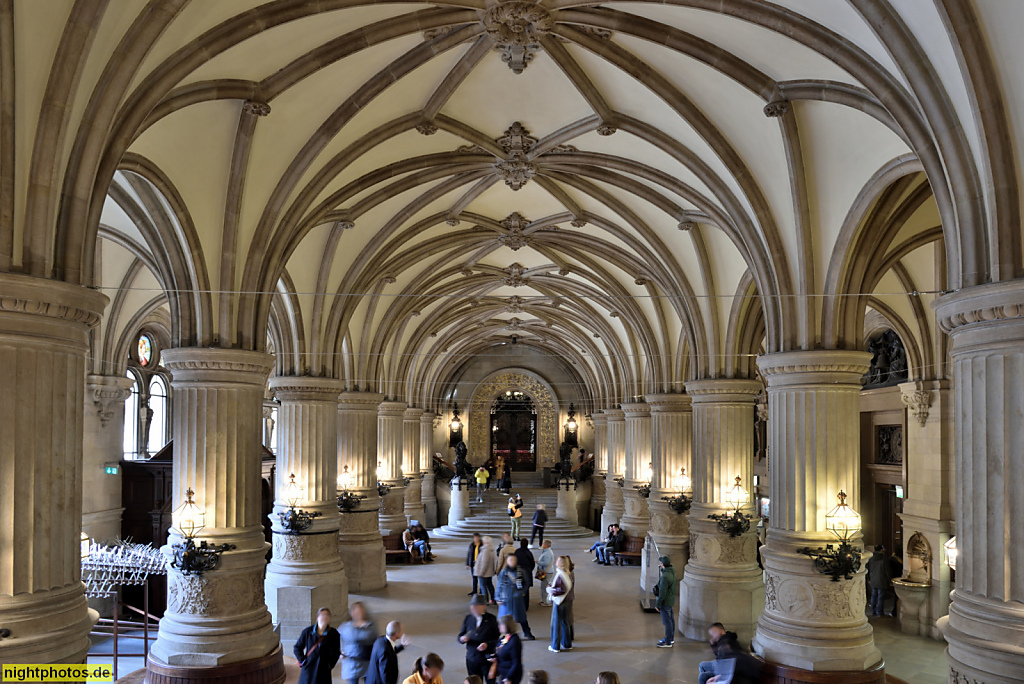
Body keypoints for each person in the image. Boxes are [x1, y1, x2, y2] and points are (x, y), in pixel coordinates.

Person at [293, 607, 341, 684]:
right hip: (309, 667)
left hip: (324, 669)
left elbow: (336, 652)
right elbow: (297, 647)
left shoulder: (334, 634)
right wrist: (303, 661)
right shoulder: (308, 632)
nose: (325, 617)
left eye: (327, 615)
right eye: (322, 615)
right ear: (317, 617)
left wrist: (330, 665)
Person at [458, 595, 499, 683]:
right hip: (471, 658)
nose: (473, 608)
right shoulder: (468, 618)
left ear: (484, 606)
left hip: (486, 659)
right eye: (472, 605)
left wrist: (487, 644)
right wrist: (462, 639)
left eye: (476, 606)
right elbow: (460, 636)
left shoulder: (491, 619)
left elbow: (497, 640)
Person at [496, 554, 534, 639]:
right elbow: (500, 585)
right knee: (504, 619)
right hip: (506, 598)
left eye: (513, 560)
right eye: (510, 560)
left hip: (517, 599)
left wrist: (521, 593)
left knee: (521, 617)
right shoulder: (504, 572)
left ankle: (527, 632)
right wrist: (497, 597)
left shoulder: (521, 571)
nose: (512, 562)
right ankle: (502, 635)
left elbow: (526, 583)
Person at [339, 601, 378, 684]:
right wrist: (339, 652)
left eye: (360, 611)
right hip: (351, 664)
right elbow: (335, 639)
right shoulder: (345, 627)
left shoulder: (371, 626)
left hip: (367, 663)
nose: (357, 613)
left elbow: (376, 641)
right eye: (355, 611)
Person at [546, 556, 573, 653]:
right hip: (566, 601)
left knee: (556, 624)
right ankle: (567, 644)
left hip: (559, 602)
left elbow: (561, 590)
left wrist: (549, 589)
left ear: (561, 563)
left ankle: (555, 646)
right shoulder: (567, 573)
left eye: (557, 560)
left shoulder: (560, 574)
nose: (556, 562)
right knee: (565, 622)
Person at [490, 615, 523, 684]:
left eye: (501, 624)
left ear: (507, 626)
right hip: (503, 672)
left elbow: (516, 663)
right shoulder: (504, 638)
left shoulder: (514, 642)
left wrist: (508, 678)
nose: (498, 626)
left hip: (510, 675)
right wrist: (495, 655)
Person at [655, 556, 677, 648]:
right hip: (670, 599)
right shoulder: (671, 571)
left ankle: (667, 642)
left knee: (667, 622)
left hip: (665, 601)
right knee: (671, 620)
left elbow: (662, 592)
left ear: (662, 564)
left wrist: (658, 604)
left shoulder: (665, 577)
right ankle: (670, 638)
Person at [867, 544, 892, 616]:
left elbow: (868, 569)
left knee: (873, 595)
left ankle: (873, 611)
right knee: (880, 597)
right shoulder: (884, 559)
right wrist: (890, 580)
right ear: (881, 549)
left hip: (873, 580)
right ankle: (879, 612)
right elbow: (887, 571)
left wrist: (869, 579)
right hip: (882, 580)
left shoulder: (871, 559)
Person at [475, 536, 498, 604]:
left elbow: (485, 563)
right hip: (489, 572)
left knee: (483, 587)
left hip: (485, 573)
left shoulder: (486, 550)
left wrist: (481, 572)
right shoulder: (490, 549)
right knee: (489, 585)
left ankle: (485, 600)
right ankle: (493, 599)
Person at [514, 538, 535, 608]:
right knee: (526, 590)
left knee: (518, 588)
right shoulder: (529, 553)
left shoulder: (517, 552)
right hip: (527, 573)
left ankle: (518, 604)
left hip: (518, 573)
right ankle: (526, 606)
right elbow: (532, 563)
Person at [535, 541, 554, 606]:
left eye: (543, 543)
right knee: (543, 586)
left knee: (545, 587)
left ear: (546, 545)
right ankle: (544, 600)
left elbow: (546, 563)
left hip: (547, 572)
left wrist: (538, 562)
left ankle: (546, 602)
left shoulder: (548, 553)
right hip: (546, 571)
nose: (542, 544)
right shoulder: (546, 551)